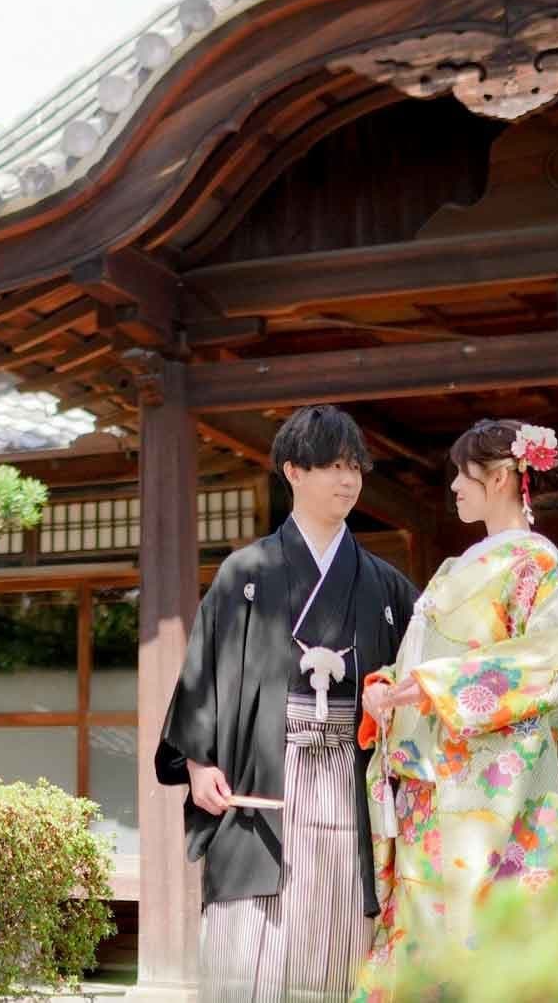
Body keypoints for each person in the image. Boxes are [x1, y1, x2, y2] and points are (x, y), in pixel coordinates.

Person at [155, 404, 420, 1003]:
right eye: (330, 465)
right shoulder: (244, 573)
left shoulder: (386, 585)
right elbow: (203, 674)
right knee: (255, 946)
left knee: (343, 927)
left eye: (354, 466)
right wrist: (198, 765)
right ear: (293, 471)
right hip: (263, 779)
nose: (347, 479)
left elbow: (421, 677)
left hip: (352, 779)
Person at [352, 418, 558, 1002]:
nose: (455, 486)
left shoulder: (535, 561)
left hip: (488, 785)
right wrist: (386, 687)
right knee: (422, 928)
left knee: (485, 930)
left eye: (465, 473)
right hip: (432, 784)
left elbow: (556, 653)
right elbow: (417, 662)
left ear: (506, 475)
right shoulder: (457, 568)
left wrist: (434, 686)